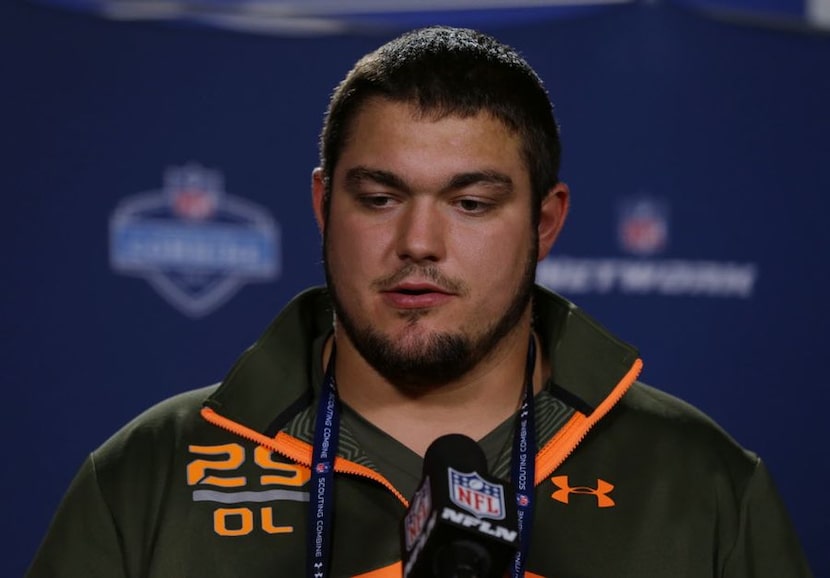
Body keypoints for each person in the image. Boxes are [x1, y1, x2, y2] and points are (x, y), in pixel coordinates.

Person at [27, 26, 812, 578]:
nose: (419, 243)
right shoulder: (147, 474)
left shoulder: (704, 484)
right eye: (378, 198)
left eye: (470, 203)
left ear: (546, 222)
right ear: (323, 206)